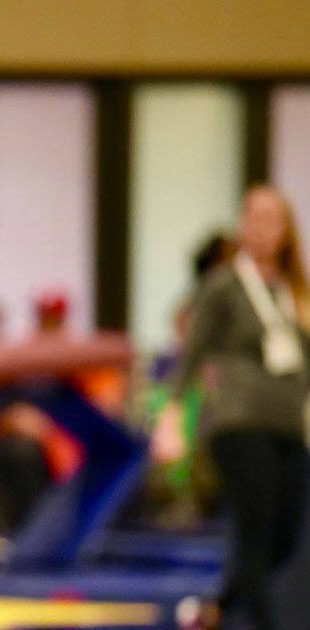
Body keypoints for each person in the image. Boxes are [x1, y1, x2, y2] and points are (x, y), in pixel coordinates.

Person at [153, 184, 310, 630]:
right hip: (239, 423)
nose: (261, 229)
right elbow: (194, 350)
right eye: (253, 218)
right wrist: (172, 415)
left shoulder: (294, 290)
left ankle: (215, 612)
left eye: (271, 219)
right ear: (243, 225)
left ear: (287, 229)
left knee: (284, 536)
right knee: (255, 533)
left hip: (290, 428)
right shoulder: (224, 284)